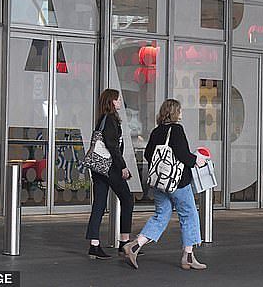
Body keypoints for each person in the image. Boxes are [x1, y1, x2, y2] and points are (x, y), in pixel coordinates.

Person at [123, 99, 207, 270]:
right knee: (189, 214)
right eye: (180, 110)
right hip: (177, 183)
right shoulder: (176, 130)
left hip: (160, 182)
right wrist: (197, 160)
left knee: (161, 215)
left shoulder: (157, 131)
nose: (182, 113)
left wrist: (163, 167)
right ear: (174, 112)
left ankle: (134, 245)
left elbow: (148, 154)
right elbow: (183, 155)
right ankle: (188, 256)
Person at [85, 89, 134, 259]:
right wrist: (123, 167)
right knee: (127, 199)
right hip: (109, 168)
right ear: (112, 101)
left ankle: (94, 245)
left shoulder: (102, 120)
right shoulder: (111, 120)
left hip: (97, 167)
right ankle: (124, 243)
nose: (120, 102)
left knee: (99, 204)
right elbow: (113, 147)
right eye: (118, 99)